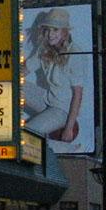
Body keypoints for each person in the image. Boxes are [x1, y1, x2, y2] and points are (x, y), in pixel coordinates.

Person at [23, 8, 85, 143]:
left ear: (64, 32)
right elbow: (25, 70)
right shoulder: (44, 48)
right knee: (12, 86)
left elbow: (78, 94)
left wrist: (69, 128)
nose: (50, 34)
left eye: (55, 30)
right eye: (47, 30)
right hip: (47, 98)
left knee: (26, 133)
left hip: (62, 110)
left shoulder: (75, 54)